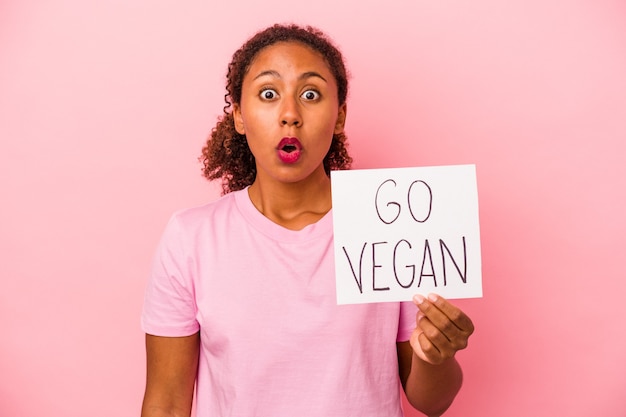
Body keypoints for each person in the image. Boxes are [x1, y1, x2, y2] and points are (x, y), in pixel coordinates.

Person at [140, 23, 474, 417]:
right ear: (239, 116)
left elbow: (430, 402)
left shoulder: (389, 222)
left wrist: (437, 355)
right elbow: (165, 402)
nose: (290, 115)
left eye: (311, 94)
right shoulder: (191, 238)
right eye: (268, 94)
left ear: (339, 116)